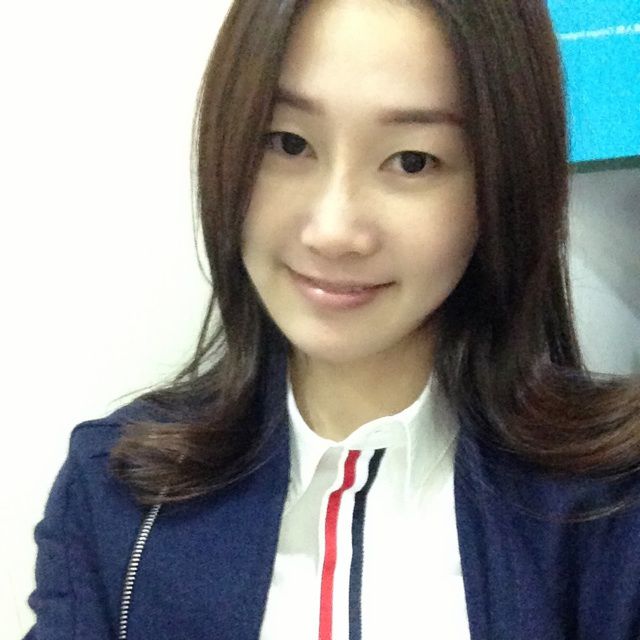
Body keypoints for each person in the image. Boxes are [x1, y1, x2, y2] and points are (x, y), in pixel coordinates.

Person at [24, 0, 640, 638]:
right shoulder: (115, 493)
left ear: (504, 184)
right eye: (288, 143)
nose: (333, 230)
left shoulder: (617, 508)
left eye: (412, 160)